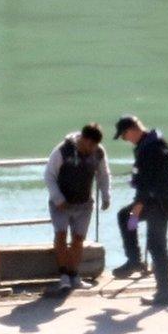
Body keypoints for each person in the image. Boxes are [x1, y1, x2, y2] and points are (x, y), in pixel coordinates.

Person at [111, 115, 168, 307]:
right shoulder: (152, 142)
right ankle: (134, 260)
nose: (126, 140)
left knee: (157, 246)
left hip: (155, 204)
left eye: (124, 136)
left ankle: (165, 292)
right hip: (156, 201)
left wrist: (139, 203)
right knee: (127, 218)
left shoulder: (149, 147)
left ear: (133, 129)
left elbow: (148, 180)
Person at [44, 123, 111, 292]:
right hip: (61, 204)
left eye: (95, 145)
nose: (92, 149)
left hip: (84, 204)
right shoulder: (62, 151)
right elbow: (49, 175)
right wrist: (57, 198)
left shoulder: (98, 152)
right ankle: (63, 276)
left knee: (78, 239)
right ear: (84, 139)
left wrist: (105, 195)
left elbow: (103, 174)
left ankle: (74, 275)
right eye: (90, 145)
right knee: (60, 235)